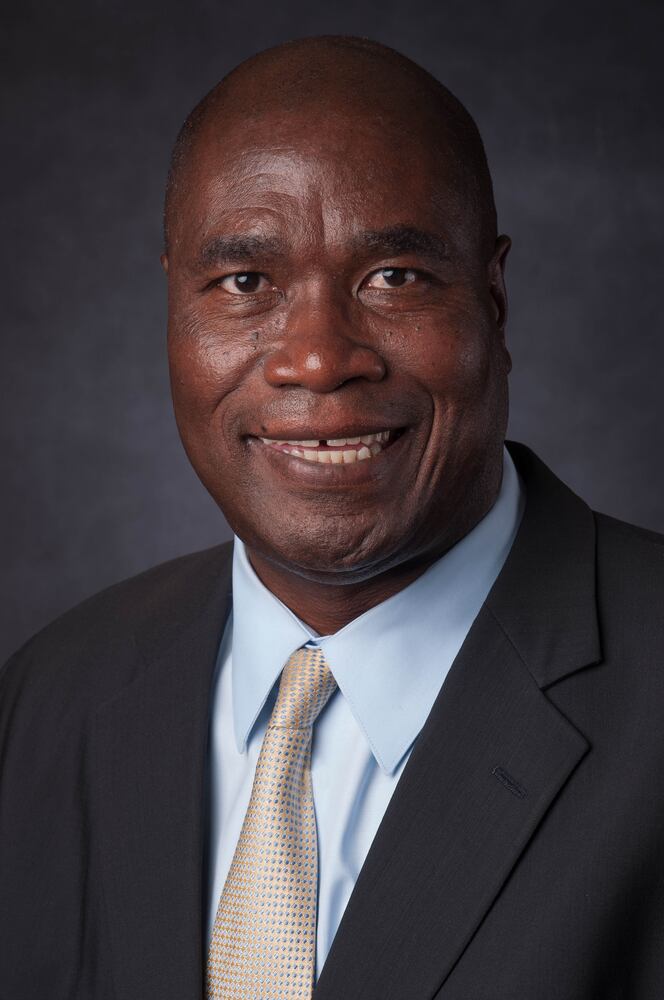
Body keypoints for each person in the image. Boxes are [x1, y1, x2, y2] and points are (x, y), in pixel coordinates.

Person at [1, 34, 663, 1000]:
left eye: (394, 276)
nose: (316, 359)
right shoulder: (49, 700)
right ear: (174, 307)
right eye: (244, 283)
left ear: (493, 301)